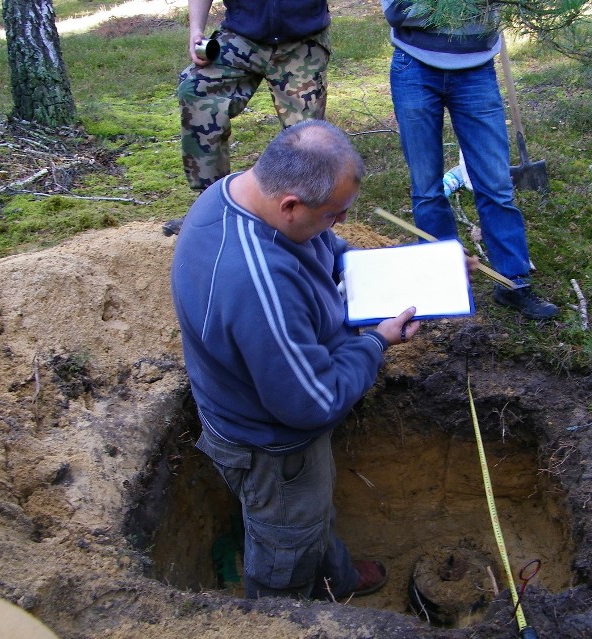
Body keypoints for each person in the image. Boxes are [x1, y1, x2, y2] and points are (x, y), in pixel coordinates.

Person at [171, 120, 420, 600]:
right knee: (286, 541)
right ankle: (283, 615)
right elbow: (312, 403)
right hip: (270, 447)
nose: (340, 225)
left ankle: (335, 579)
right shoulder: (258, 283)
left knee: (310, 513)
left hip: (274, 411)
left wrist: (421, 270)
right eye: (334, 215)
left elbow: (326, 247)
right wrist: (375, 343)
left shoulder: (243, 193)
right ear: (290, 206)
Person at [381, 1, 559, 320]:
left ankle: (514, 283)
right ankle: (444, 282)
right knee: (426, 186)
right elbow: (399, 11)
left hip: (477, 68)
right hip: (414, 67)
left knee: (495, 184)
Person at [163, 0, 332, 236]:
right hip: (242, 37)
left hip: (303, 40)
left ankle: (299, 220)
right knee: (197, 89)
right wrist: (196, 30)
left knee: (306, 137)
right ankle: (212, 209)